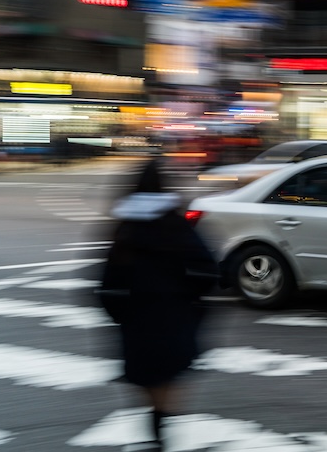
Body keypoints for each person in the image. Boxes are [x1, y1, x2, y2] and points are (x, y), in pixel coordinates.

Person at [98, 159, 219, 450]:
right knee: (169, 374)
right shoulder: (176, 224)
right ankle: (161, 423)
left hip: (137, 317)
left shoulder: (124, 228)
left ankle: (155, 428)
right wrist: (194, 301)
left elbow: (108, 280)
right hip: (174, 313)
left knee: (148, 376)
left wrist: (118, 314)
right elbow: (206, 267)